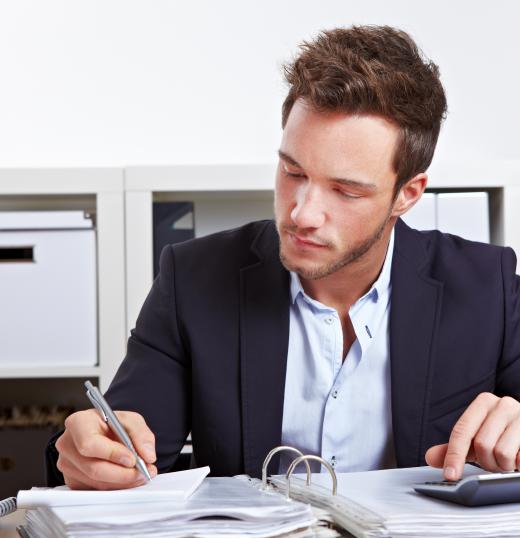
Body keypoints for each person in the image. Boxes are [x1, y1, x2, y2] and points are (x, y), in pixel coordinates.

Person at [47, 25, 520, 491]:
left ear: (407, 194)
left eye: (346, 190)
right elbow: (120, 449)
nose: (302, 213)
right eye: (293, 171)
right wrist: (91, 455)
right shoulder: (193, 279)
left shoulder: (487, 287)